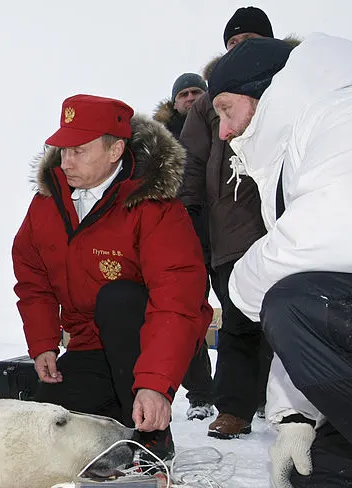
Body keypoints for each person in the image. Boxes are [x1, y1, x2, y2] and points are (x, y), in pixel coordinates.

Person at [208, 33, 352, 488]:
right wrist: (293, 415)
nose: (222, 131)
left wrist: (244, 286)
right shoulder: (302, 141)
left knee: (291, 300)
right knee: (321, 482)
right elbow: (324, 277)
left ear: (263, 93)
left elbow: (351, 226)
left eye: (225, 111)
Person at [12, 95, 212, 462]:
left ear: (115, 149)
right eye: (62, 150)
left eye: (79, 151)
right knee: (39, 438)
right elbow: (32, 278)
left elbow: (176, 299)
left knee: (118, 298)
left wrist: (156, 384)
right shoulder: (47, 203)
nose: (65, 161)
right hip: (88, 347)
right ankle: (118, 414)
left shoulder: (154, 207)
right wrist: (43, 343)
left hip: (147, 345)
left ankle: (151, 435)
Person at [177, 6, 276, 438]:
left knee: (292, 316)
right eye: (233, 43)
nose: (241, 49)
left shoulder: (287, 86)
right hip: (228, 228)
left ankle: (290, 407)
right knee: (237, 318)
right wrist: (188, 216)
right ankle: (234, 407)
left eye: (250, 41)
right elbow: (192, 162)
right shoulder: (208, 102)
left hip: (281, 220)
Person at [153, 72, 215, 420]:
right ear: (174, 101)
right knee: (187, 313)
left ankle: (258, 397)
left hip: (224, 232)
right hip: (180, 237)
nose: (191, 98)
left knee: (246, 315)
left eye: (197, 92)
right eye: (184, 94)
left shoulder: (225, 127)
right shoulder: (158, 142)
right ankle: (201, 394)